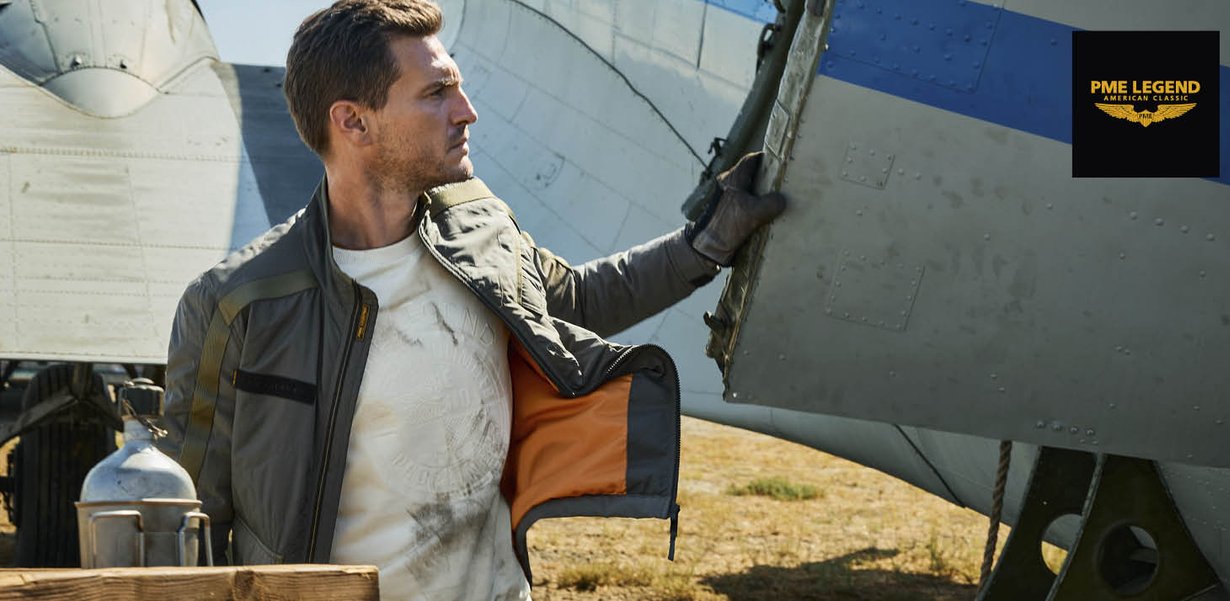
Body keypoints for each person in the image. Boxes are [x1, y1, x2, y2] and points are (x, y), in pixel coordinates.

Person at [158, 0, 784, 599]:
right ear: (352, 121)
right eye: (436, 93)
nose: (467, 111)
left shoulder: (480, 227)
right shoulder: (242, 305)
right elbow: (186, 521)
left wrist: (706, 243)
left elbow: (576, 303)